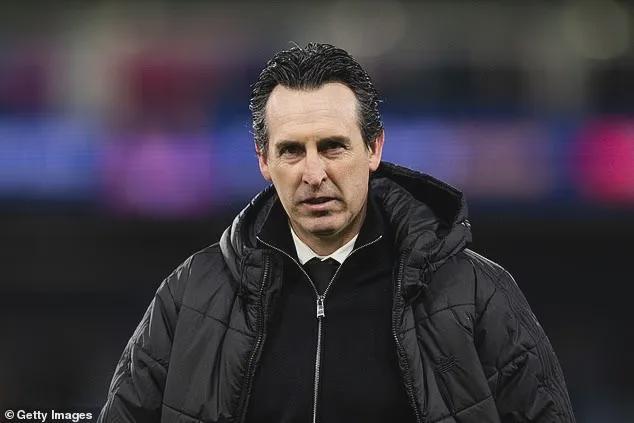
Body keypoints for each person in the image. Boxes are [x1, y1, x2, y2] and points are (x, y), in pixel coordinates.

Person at [97, 43, 575, 423]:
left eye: (332, 147)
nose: (313, 173)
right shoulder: (190, 294)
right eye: (291, 151)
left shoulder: (478, 293)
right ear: (263, 160)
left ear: (373, 148)